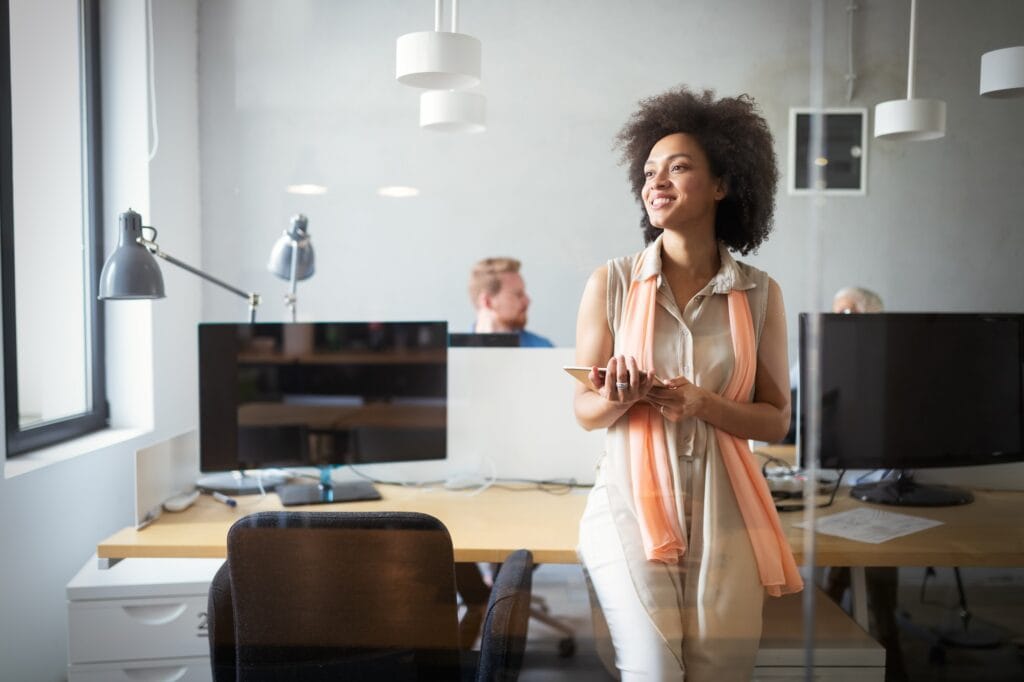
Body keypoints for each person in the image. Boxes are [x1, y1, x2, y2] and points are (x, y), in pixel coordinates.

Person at [573, 86, 801, 681]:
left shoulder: (761, 293)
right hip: (629, 502)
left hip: (728, 510)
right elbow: (584, 409)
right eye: (650, 172)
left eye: (678, 168)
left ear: (723, 185)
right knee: (654, 670)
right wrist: (616, 396)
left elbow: (776, 418)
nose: (657, 183)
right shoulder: (612, 283)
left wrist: (705, 403)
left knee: (718, 672)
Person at [468, 257, 553, 347]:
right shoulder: (455, 353)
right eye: (518, 294)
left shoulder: (543, 349)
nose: (527, 301)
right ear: (487, 301)